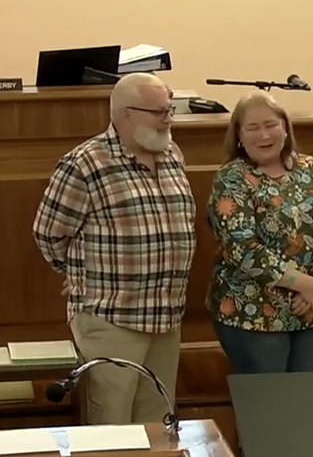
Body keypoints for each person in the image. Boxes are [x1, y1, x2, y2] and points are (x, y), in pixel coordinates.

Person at [31, 73, 196, 424]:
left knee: (157, 422)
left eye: (170, 109)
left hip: (165, 316)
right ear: (125, 114)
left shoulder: (171, 154)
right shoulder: (85, 163)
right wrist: (78, 272)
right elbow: (48, 234)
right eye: (159, 111)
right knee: (112, 425)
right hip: (112, 319)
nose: (168, 118)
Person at [206, 90, 313, 374]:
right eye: (253, 128)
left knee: (304, 405)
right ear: (239, 135)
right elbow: (243, 250)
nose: (264, 135)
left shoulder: (312, 169)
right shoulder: (232, 178)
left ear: (285, 127)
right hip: (253, 314)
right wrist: (307, 284)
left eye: (271, 125)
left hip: (309, 309)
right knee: (267, 410)